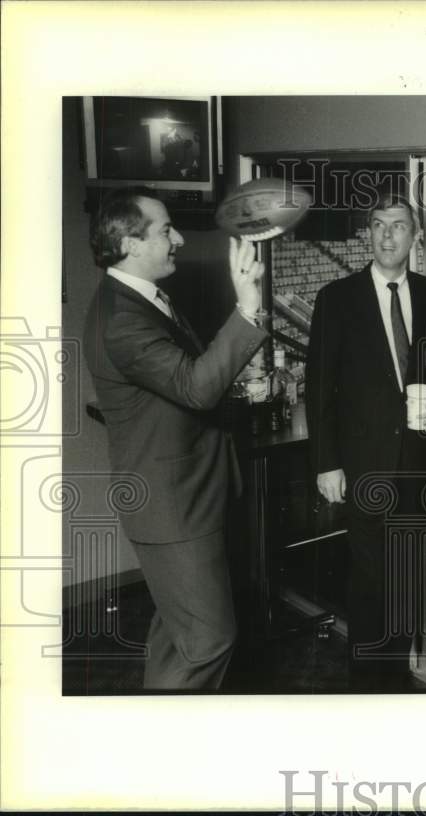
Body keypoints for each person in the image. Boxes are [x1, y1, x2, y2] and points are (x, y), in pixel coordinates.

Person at [83, 187, 268, 689]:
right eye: (166, 230)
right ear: (130, 243)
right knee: (209, 639)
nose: (180, 239)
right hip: (171, 507)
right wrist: (248, 308)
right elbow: (195, 387)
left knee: (179, 632)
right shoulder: (123, 319)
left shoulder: (137, 299)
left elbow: (181, 383)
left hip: (185, 497)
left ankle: (156, 739)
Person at [306, 192, 426, 691]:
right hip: (362, 465)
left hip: (418, 465)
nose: (388, 234)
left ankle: (394, 685)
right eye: (378, 225)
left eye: (398, 225)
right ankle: (365, 691)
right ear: (368, 234)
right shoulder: (337, 298)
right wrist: (326, 464)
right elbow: (319, 388)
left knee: (408, 585)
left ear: (416, 236)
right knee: (370, 585)